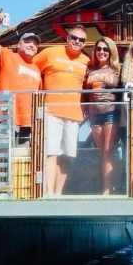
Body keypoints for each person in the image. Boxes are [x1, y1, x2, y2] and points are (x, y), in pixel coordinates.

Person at [33, 25, 90, 196]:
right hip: (51, 112)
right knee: (51, 153)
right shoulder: (50, 52)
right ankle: (49, 193)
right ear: (67, 38)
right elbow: (31, 68)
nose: (77, 41)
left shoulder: (86, 61)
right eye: (74, 37)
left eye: (81, 40)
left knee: (68, 156)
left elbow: (89, 85)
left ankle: (58, 193)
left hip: (73, 115)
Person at [0, 11, 42, 145]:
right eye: (27, 41)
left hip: (28, 125)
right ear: (19, 45)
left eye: (35, 44)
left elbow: (39, 98)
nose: (31, 45)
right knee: (2, 162)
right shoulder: (7, 55)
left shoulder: (37, 69)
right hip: (4, 118)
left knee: (21, 164)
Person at [84, 37, 121, 195]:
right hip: (94, 115)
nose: (102, 52)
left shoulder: (117, 70)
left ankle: (107, 190)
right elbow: (85, 94)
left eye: (105, 49)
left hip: (110, 113)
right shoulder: (89, 70)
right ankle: (107, 185)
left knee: (107, 151)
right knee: (102, 152)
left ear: (111, 52)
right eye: (99, 48)